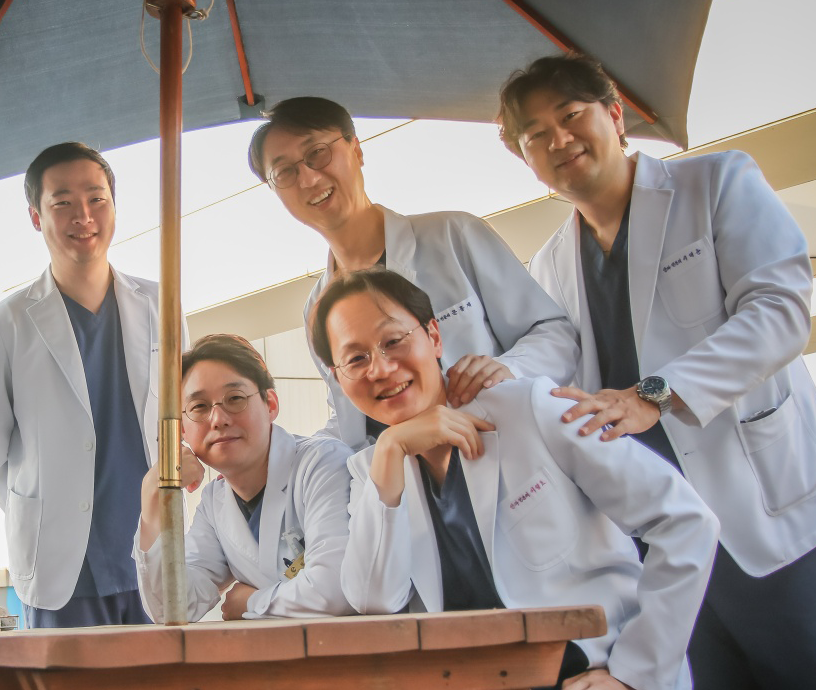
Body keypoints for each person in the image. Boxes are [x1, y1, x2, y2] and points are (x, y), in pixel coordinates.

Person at [497, 53, 816, 690]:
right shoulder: (550, 264)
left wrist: (656, 395)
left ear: (616, 116)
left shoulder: (715, 182)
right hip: (660, 543)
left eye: (571, 115)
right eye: (535, 135)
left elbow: (782, 309)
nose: (558, 140)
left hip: (769, 509)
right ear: (524, 158)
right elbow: (552, 371)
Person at [312, 267, 718, 690]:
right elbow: (375, 600)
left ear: (434, 336)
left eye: (393, 340)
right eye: (355, 359)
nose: (381, 368)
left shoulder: (530, 408)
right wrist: (390, 449)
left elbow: (684, 519)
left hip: (590, 674)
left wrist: (634, 676)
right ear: (339, 378)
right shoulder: (371, 470)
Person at [248, 97, 579, 450]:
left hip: (504, 449)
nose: (309, 179)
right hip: (409, 477)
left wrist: (510, 368)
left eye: (317, 153)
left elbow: (554, 335)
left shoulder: (453, 236)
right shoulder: (316, 308)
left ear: (356, 150)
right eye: (285, 173)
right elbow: (348, 421)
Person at [0, 142, 182, 628]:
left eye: (96, 199)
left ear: (114, 207)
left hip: (155, 549)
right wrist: (45, 510)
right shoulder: (4, 323)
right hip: (61, 567)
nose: (83, 216)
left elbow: (182, 414)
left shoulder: (162, 304)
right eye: (62, 202)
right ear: (36, 216)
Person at [134, 334, 354, 622]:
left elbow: (336, 589)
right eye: (199, 407)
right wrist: (153, 502)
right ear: (183, 430)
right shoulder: (214, 504)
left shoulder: (322, 464)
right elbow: (173, 607)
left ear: (270, 404)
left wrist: (251, 603)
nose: (218, 419)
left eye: (235, 399)